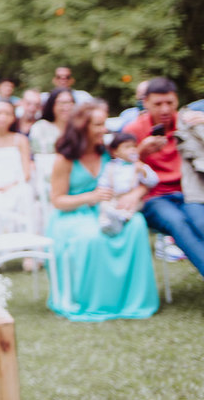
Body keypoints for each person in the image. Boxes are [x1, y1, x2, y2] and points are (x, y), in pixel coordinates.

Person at [46, 104, 159, 320]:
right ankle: (98, 301)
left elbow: (139, 172)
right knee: (92, 236)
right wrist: (90, 197)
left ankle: (131, 300)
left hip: (108, 209)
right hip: (73, 214)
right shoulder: (65, 159)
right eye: (98, 125)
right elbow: (57, 200)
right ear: (82, 127)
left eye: (104, 124)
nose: (104, 130)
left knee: (136, 224)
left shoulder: (109, 152)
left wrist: (136, 194)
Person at [124, 77, 204, 276]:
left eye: (169, 102)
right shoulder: (133, 131)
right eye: (158, 104)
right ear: (145, 103)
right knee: (178, 222)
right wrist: (141, 152)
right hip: (154, 197)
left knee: (200, 222)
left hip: (189, 192)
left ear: (176, 100)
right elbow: (120, 171)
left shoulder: (187, 123)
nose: (165, 109)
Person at [0, 100, 38, 233]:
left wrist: (11, 186)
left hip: (16, 185)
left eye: (7, 114)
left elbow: (26, 172)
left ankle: (28, 242)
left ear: (13, 118)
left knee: (25, 193)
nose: (3, 117)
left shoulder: (21, 140)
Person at [97, 133, 159, 236]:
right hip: (114, 196)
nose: (132, 150)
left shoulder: (138, 166)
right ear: (115, 152)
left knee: (130, 208)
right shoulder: (110, 166)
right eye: (127, 147)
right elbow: (104, 182)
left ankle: (121, 219)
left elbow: (153, 181)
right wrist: (103, 190)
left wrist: (143, 171)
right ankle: (107, 223)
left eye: (134, 146)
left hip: (131, 198)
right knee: (105, 206)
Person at [29, 86, 75, 155]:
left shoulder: (79, 128)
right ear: (52, 105)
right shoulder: (40, 127)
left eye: (69, 102)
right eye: (61, 102)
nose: (66, 107)